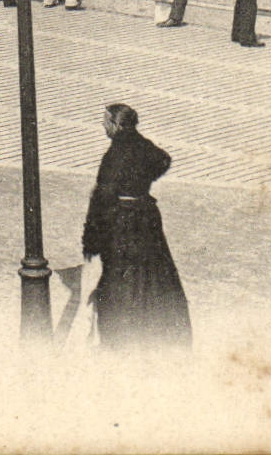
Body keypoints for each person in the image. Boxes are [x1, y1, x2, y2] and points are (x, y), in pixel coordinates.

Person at [81, 103, 192, 349]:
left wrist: (93, 238)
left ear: (116, 125)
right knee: (152, 270)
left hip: (123, 221)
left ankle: (122, 334)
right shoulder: (143, 144)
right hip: (146, 216)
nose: (103, 126)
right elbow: (163, 160)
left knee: (120, 276)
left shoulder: (114, 154)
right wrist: (142, 183)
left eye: (105, 121)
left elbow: (104, 195)